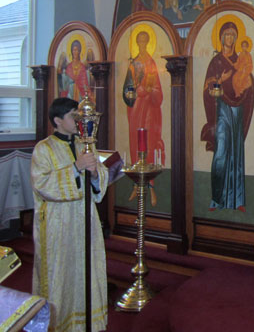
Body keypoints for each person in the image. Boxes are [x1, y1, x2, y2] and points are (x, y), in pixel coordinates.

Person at [30, 97, 109, 332]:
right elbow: (42, 185)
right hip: (58, 224)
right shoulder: (43, 149)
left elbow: (99, 182)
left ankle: (87, 323)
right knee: (61, 275)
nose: (79, 121)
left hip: (85, 219)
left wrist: (95, 175)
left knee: (86, 270)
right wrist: (76, 168)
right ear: (57, 120)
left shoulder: (84, 145)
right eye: (74, 117)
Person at [201, 22, 254, 211]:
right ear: (222, 38)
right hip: (221, 110)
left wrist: (247, 85)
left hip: (237, 110)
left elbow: (248, 79)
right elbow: (207, 88)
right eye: (227, 35)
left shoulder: (241, 59)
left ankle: (237, 200)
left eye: (233, 35)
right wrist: (219, 81)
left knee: (237, 152)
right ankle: (217, 198)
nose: (230, 39)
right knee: (221, 153)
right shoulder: (216, 62)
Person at [122, 29, 164, 206]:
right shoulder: (133, 65)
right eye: (139, 41)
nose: (142, 44)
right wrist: (136, 91)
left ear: (148, 43)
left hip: (150, 112)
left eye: (144, 41)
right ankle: (136, 186)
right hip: (136, 111)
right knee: (135, 143)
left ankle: (151, 187)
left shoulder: (152, 63)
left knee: (150, 143)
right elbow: (126, 91)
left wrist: (150, 91)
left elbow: (159, 91)